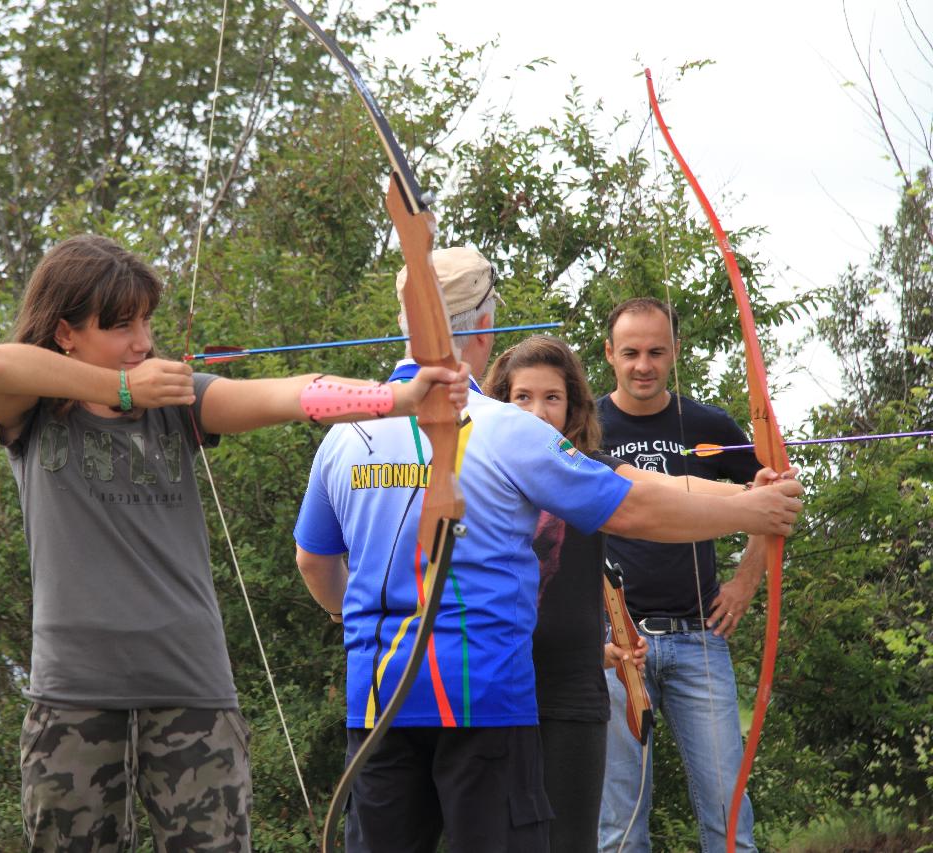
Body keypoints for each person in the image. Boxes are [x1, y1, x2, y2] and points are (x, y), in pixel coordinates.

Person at [0, 234, 471, 853]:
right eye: (120, 325)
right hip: (73, 694)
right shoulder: (34, 414)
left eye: (146, 321)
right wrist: (123, 390)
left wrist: (395, 397)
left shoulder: (182, 405)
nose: (143, 342)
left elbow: (288, 393)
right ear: (66, 333)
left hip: (192, 692)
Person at [292, 248, 805, 853]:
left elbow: (314, 563)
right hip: (483, 703)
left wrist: (348, 616)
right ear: (483, 326)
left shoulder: (345, 436)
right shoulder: (507, 429)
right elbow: (630, 506)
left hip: (378, 702)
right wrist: (751, 509)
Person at [483, 334, 794, 853]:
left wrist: (751, 493)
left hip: (570, 684)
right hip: (492, 679)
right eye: (522, 398)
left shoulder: (583, 469)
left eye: (552, 398)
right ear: (500, 404)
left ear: (572, 407)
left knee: (574, 837)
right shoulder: (474, 470)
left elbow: (667, 489)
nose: (538, 413)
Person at [596, 296, 773, 852]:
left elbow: (774, 499)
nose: (642, 365)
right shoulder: (587, 426)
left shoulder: (707, 424)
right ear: (609, 354)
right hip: (616, 646)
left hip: (698, 638)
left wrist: (745, 581)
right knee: (619, 828)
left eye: (655, 351)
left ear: (674, 353)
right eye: (630, 353)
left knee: (728, 818)